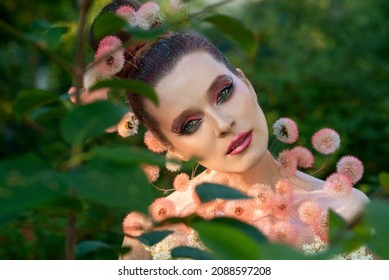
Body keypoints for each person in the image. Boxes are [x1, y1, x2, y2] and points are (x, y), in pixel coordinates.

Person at [80, 0, 370, 259]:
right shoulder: (151, 237)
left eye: (223, 93)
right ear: (167, 145)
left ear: (246, 83)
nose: (223, 124)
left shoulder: (348, 212)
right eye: (190, 124)